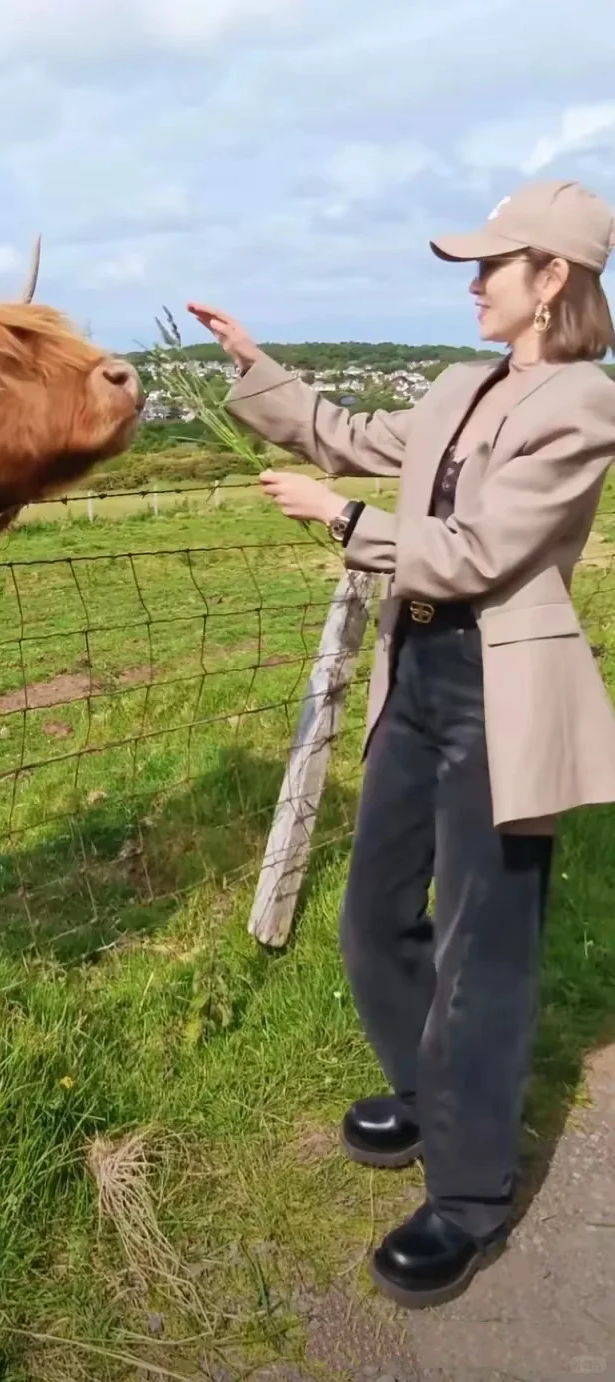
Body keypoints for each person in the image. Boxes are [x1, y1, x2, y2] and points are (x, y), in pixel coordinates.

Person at [187, 178, 615, 1309]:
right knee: (374, 915)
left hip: (499, 692)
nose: (473, 284)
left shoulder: (584, 405)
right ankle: (430, 1095)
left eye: (490, 266)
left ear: (552, 279)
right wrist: (254, 365)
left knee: (485, 953)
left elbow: (481, 550)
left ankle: (470, 1196)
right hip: (414, 671)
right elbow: (345, 435)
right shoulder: (459, 385)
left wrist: (341, 521)